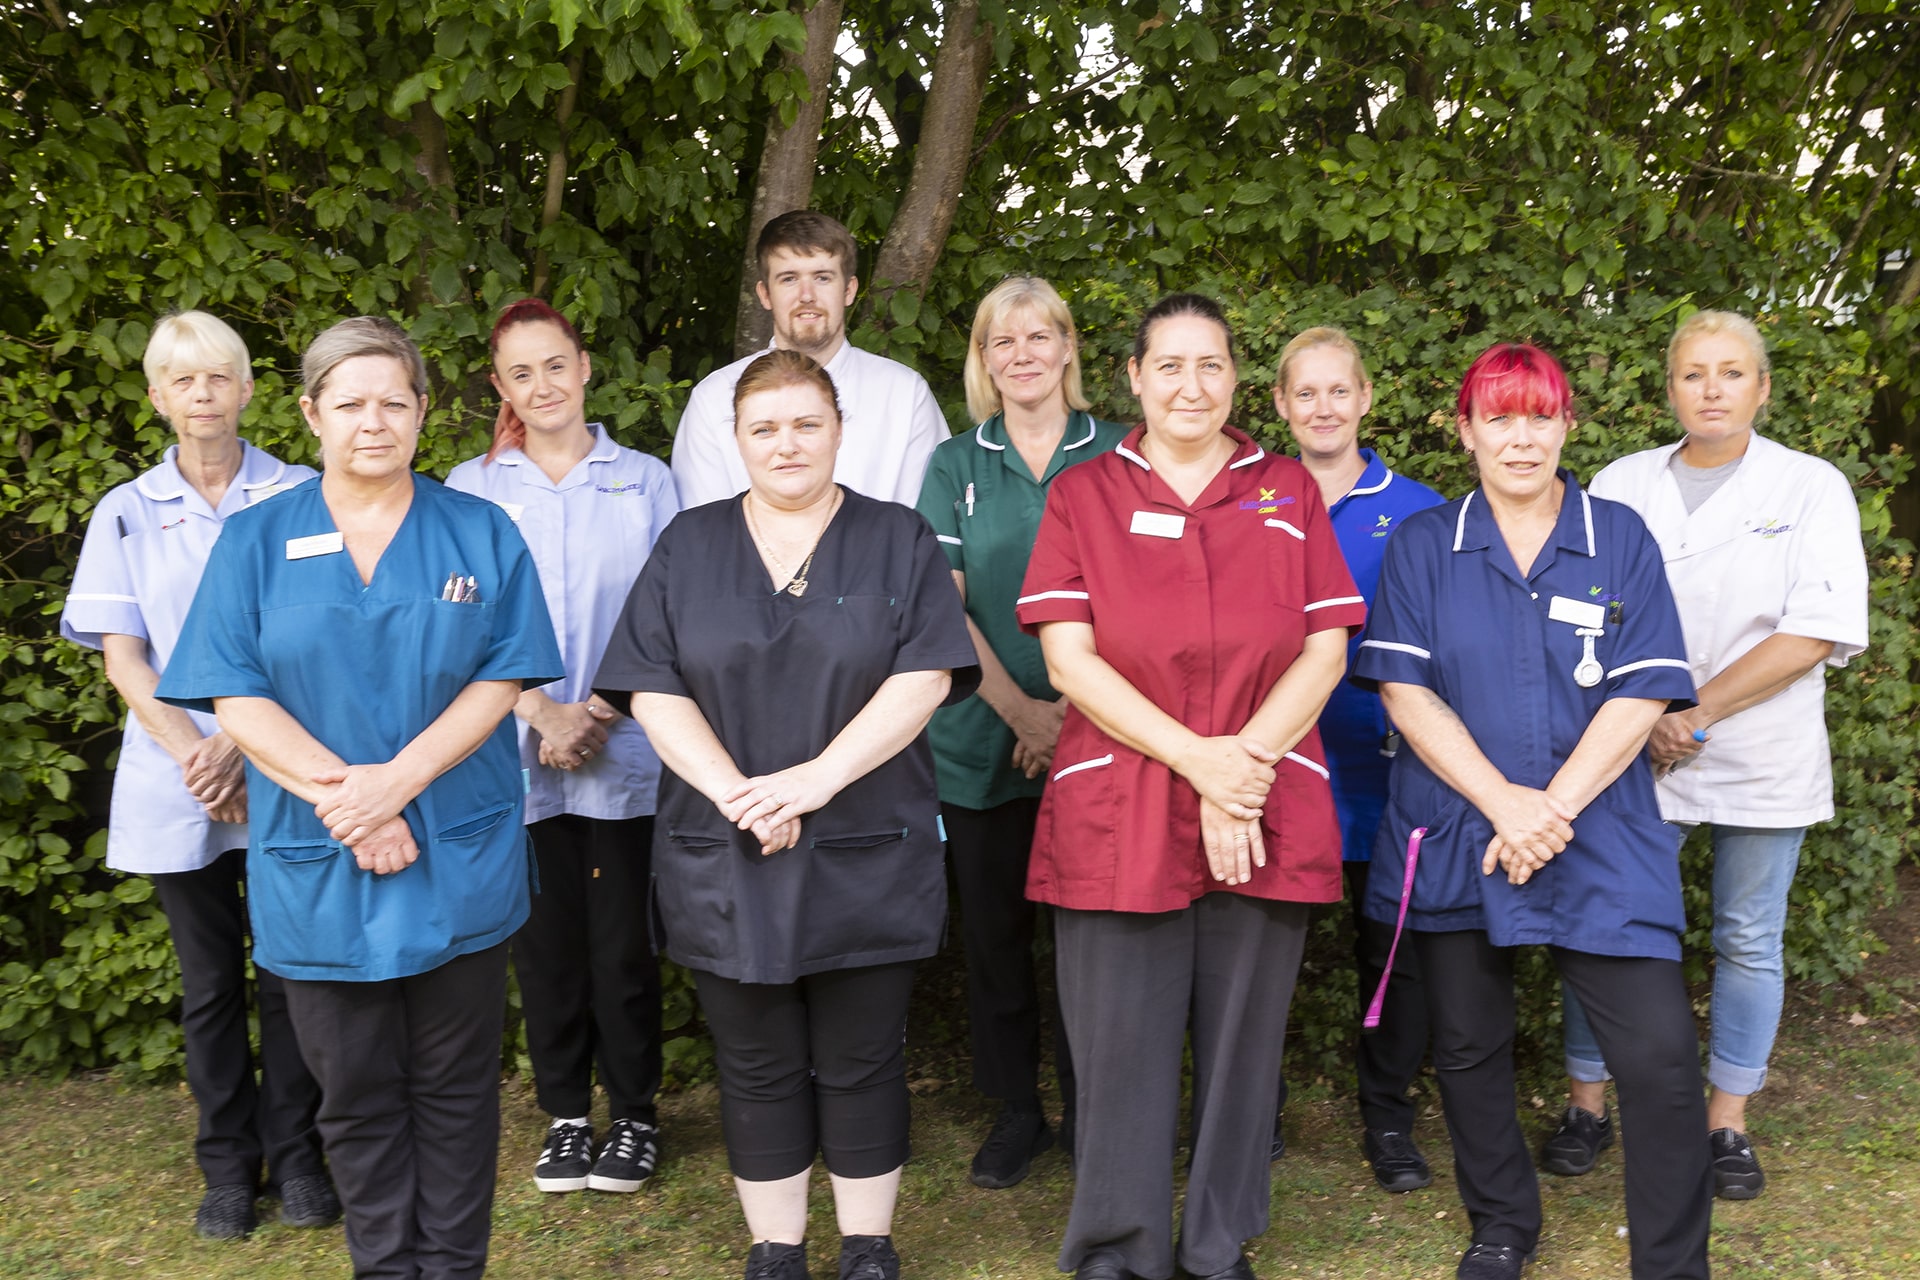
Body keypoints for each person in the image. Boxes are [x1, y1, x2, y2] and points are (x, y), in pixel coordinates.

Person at [156, 316, 563, 1279]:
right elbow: (233, 691)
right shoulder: (257, 540)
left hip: (455, 851)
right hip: (321, 858)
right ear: (309, 414)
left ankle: (453, 1267)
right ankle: (384, 1267)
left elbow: (503, 681)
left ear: (425, 412)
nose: (373, 421)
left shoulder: (479, 528)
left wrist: (396, 787)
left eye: (394, 400)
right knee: (355, 1093)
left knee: (458, 1091)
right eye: (350, 402)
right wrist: (354, 804)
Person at [597, 349, 979, 1280]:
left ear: (840, 431)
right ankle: (776, 1250)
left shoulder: (898, 538)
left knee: (862, 1055)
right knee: (756, 1056)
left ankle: (867, 1246)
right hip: (725, 844)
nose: (787, 443)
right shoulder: (689, 545)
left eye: (807, 423)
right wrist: (740, 793)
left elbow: (926, 673)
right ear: (736, 442)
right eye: (764, 427)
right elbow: (650, 686)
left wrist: (811, 782)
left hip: (864, 843)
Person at [1016, 294, 1365, 1280]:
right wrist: (1199, 758)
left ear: (1234, 378)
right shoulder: (1083, 494)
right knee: (1119, 1043)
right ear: (1132, 376)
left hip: (1262, 796)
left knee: (1243, 1042)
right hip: (1121, 800)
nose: (1191, 386)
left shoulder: (1285, 487)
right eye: (1169, 365)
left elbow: (1325, 646)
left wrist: (1238, 763)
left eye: (1210, 365)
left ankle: (1216, 1242)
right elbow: (1069, 662)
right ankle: (1118, 1246)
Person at [1353, 342, 1711, 1280]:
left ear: (1568, 427)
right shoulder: (1428, 542)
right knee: (1469, 1049)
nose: (1522, 438)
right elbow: (1403, 692)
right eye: (1500, 418)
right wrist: (1503, 805)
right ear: (1466, 430)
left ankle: (1672, 1264)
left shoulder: (1618, 535)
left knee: (1664, 1061)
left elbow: (1641, 694)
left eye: (1540, 416)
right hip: (1462, 824)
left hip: (1597, 828)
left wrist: (1546, 809)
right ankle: (1503, 1224)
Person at [1544, 310, 1869, 1200]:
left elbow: (1816, 630)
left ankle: (1726, 1125)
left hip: (1760, 748)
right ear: (1671, 386)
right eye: (1694, 373)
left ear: (1762, 388)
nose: (1713, 389)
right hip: (1634, 748)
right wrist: (1643, 717)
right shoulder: (1619, 482)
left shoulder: (1811, 488)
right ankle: (1585, 1104)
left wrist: (1693, 708)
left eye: (1732, 373)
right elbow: (1580, 612)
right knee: (1606, 926)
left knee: (1747, 938)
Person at [59, 311, 335, 1240]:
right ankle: (227, 1166)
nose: (203, 396)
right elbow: (124, 656)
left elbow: (321, 633)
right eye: (183, 381)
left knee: (291, 974)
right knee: (209, 984)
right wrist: (196, 751)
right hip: (180, 777)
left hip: (284, 764)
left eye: (219, 377)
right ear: (157, 397)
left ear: (250, 388)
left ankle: (300, 1156)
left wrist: (242, 743)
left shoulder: (305, 493)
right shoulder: (126, 510)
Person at [446, 299, 679, 1196]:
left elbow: (670, 609)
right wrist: (544, 715)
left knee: (623, 942)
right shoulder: (471, 491)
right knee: (542, 946)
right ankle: (567, 1118)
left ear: (584, 368)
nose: (541, 385)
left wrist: (602, 709)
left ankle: (635, 1117)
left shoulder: (646, 480)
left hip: (626, 749)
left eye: (555, 364)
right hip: (513, 755)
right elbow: (460, 625)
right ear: (500, 386)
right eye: (519, 372)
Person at [914, 276, 1127, 1189]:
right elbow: (942, 610)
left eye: (1041, 336)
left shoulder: (1122, 453)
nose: (1024, 354)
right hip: (981, 739)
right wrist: (1022, 711)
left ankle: (1096, 1112)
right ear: (984, 359)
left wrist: (1072, 715)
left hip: (1107, 736)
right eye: (1004, 341)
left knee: (1093, 938)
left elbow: (1141, 602)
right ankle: (1017, 1113)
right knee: (996, 940)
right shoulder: (956, 466)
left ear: (1069, 348)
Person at [1270, 326, 1445, 1191]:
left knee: (1393, 960)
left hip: (1388, 774)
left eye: (1339, 390)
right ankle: (1250, 1114)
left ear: (1367, 398)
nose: (1324, 407)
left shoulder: (1420, 508)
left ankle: (1388, 1120)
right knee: (1263, 958)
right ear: (1279, 405)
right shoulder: (1248, 496)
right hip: (1279, 766)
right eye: (1306, 393)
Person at [670, 210, 948, 508]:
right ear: (765, 294)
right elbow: (702, 532)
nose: (807, 295)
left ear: (849, 290)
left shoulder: (905, 395)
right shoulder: (713, 400)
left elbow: (928, 526)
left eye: (822, 277)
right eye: (789, 279)